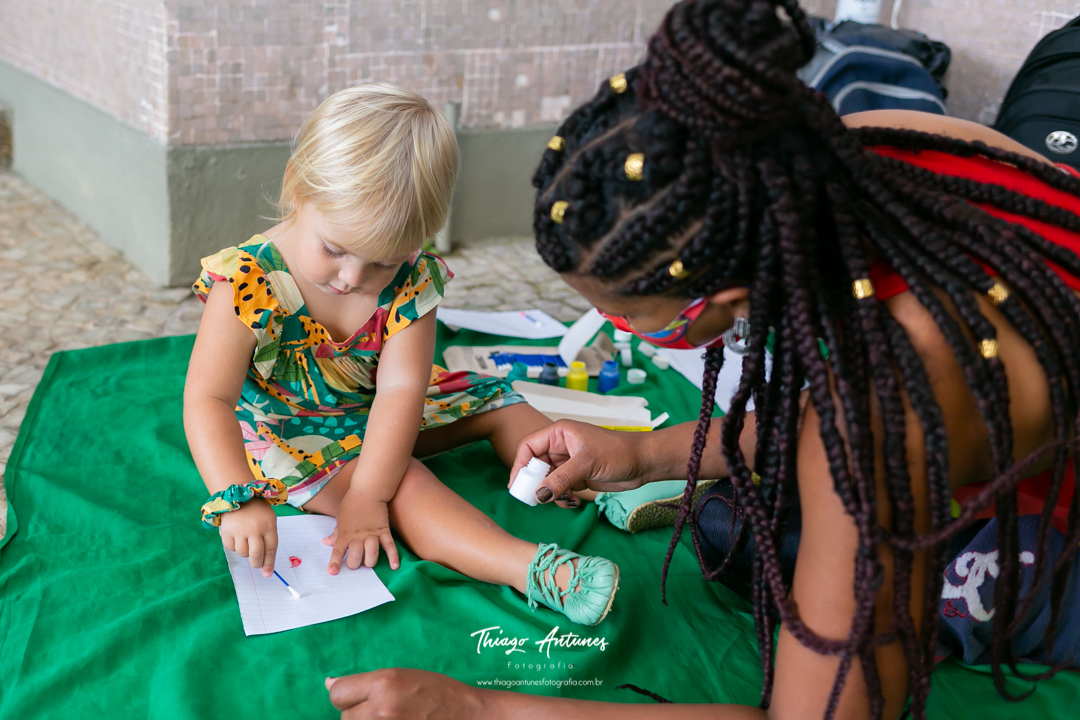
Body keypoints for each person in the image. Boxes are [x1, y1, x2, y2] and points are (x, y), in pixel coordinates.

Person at [324, 1, 1080, 718]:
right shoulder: (865, 144)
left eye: (626, 319)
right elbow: (829, 421)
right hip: (960, 428)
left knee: (803, 561)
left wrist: (484, 706)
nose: (606, 328)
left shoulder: (882, 396)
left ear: (726, 298)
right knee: (731, 525)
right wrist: (642, 451)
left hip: (1042, 514)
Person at [183, 83, 620, 627]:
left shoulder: (411, 276)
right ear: (298, 188)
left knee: (503, 404)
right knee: (406, 483)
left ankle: (602, 484)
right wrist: (242, 495)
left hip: (384, 408)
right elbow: (209, 398)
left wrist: (371, 488)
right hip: (293, 430)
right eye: (334, 250)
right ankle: (532, 568)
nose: (353, 278)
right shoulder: (245, 280)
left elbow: (401, 392)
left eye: (383, 264)